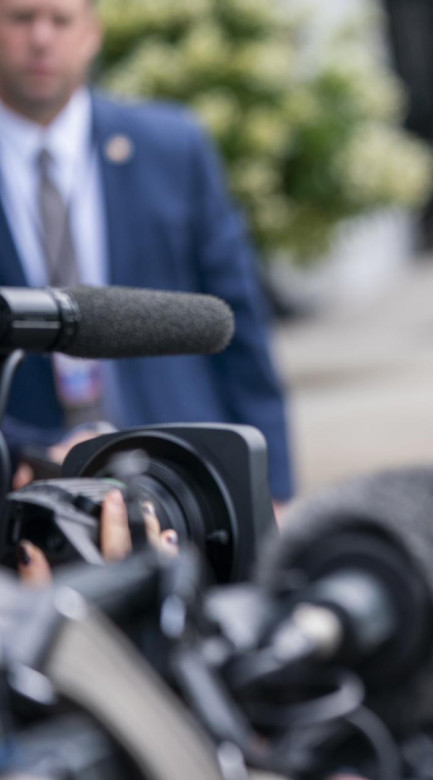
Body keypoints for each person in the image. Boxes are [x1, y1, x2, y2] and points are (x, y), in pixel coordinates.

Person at [0, 0, 294, 500]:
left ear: (91, 33)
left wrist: (276, 488)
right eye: (22, 18)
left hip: (178, 480)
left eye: (60, 19)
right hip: (25, 495)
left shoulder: (172, 146)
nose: (42, 38)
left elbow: (240, 324)